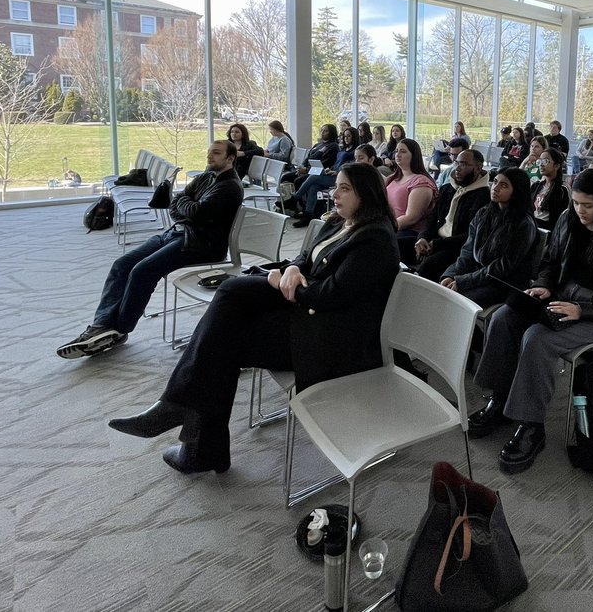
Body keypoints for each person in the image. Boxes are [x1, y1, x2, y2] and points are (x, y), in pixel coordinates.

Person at [107, 163, 400, 474]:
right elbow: (305, 256)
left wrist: (282, 283)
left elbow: (330, 295)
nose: (335, 194)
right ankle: (191, 434)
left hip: (330, 337)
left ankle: (194, 436)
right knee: (229, 307)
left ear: (366, 194)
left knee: (223, 336)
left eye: (345, 189)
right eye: (336, 186)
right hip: (306, 313)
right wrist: (292, 270)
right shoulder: (340, 221)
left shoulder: (375, 239)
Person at [467, 169, 593, 475]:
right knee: (503, 318)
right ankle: (500, 400)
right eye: (577, 202)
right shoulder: (568, 220)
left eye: (588, 205)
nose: (580, 210)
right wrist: (544, 284)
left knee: (538, 340)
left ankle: (531, 424)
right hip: (563, 297)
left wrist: (583, 311)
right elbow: (551, 263)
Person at [56, 141, 244, 359]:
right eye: (209, 152)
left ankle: (119, 329)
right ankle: (102, 325)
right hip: (178, 232)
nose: (210, 157)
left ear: (230, 159)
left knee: (142, 271)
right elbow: (176, 203)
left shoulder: (230, 187)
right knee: (122, 265)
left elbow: (196, 212)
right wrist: (186, 205)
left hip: (201, 243)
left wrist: (185, 205)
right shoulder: (206, 176)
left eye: (216, 153)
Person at [440, 168, 538, 307]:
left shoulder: (524, 224)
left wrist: (463, 281)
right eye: (495, 182)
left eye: (504, 185)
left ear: (516, 191)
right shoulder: (484, 212)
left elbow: (502, 267)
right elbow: (467, 251)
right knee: (442, 289)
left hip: (504, 282)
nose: (495, 188)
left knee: (457, 303)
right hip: (479, 274)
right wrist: (452, 274)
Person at [408, 148, 490, 278]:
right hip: (434, 241)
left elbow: (471, 236)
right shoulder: (448, 189)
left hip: (456, 248)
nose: (457, 168)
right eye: (456, 162)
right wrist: (422, 238)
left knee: (428, 267)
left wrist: (436, 245)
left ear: (478, 168)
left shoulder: (484, 197)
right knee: (396, 246)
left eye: (463, 164)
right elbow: (432, 219)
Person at [284, 126, 358, 227]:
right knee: (313, 187)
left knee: (314, 177)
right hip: (333, 173)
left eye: (349, 136)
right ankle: (308, 215)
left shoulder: (354, 151)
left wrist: (336, 171)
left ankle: (295, 198)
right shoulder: (343, 149)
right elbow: (337, 163)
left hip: (342, 177)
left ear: (354, 137)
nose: (346, 138)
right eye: (345, 136)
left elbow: (351, 165)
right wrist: (330, 169)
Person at [385, 137, 438, 241]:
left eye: (403, 151)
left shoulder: (421, 182)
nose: (398, 154)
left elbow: (411, 218)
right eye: (397, 151)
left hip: (408, 233)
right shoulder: (392, 178)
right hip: (390, 227)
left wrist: (385, 228)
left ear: (414, 156)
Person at [278, 124, 339, 197]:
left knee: (298, 180)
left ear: (331, 133)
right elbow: (308, 157)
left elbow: (325, 164)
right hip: (306, 169)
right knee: (285, 177)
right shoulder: (318, 145)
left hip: (316, 172)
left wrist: (306, 170)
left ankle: (298, 203)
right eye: (321, 130)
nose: (322, 132)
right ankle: (284, 199)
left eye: (325, 131)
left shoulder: (333, 146)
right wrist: (301, 167)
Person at [532, 148, 569, 228]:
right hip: (532, 225)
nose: (541, 164)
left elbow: (564, 217)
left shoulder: (562, 189)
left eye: (545, 161)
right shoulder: (536, 186)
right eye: (540, 161)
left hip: (548, 229)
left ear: (556, 166)